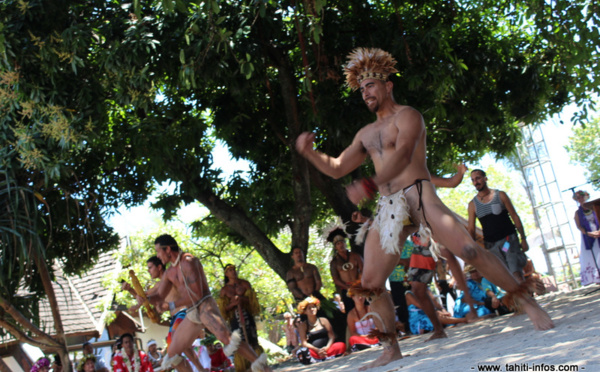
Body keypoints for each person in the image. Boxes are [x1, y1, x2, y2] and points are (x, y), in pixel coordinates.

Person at [296, 47, 553, 369]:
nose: (365, 93)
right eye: (361, 89)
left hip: (420, 193)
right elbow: (336, 167)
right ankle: (391, 348)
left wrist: (369, 184)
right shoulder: (365, 133)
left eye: (370, 85)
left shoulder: (408, 116)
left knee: (469, 251)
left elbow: (403, 155)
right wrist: (310, 153)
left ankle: (526, 302)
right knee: (371, 284)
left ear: (388, 85)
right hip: (390, 206)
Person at [146, 234, 270, 372]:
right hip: (191, 312)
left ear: (168, 249)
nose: (157, 256)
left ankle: (264, 369)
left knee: (227, 339)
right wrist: (144, 300)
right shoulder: (169, 271)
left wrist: (171, 305)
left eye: (158, 251)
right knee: (172, 354)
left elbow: (197, 294)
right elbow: (159, 295)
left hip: (205, 306)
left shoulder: (188, 261)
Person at [123, 256, 203, 372]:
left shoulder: (172, 277)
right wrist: (130, 289)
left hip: (184, 313)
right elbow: (143, 297)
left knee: (176, 343)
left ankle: (201, 369)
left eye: (150, 267)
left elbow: (145, 298)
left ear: (159, 267)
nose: (148, 271)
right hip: (175, 318)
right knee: (173, 356)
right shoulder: (158, 285)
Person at [468, 169, 529, 282]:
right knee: (506, 276)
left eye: (478, 178)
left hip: (507, 240)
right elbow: (471, 229)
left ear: (485, 178)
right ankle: (521, 296)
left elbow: (515, 216)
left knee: (515, 271)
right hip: (492, 246)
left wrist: (523, 238)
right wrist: (473, 249)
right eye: (473, 180)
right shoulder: (473, 205)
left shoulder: (500, 195)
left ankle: (526, 297)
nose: (476, 182)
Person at [217, 264, 265, 372]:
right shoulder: (224, 290)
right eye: (230, 270)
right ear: (226, 274)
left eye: (234, 269)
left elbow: (253, 302)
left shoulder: (245, 284)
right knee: (239, 343)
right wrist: (233, 304)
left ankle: (259, 366)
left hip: (247, 315)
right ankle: (244, 367)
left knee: (253, 341)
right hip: (235, 319)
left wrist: (242, 299)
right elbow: (223, 310)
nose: (233, 271)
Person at [294, 296, 346, 365]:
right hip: (314, 352)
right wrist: (317, 350)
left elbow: (332, 336)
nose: (312, 309)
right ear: (305, 311)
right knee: (302, 352)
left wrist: (326, 348)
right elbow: (304, 343)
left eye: (314, 307)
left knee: (340, 345)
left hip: (328, 349)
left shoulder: (323, 320)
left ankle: (327, 356)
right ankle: (317, 359)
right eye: (309, 308)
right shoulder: (303, 326)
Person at [327, 227, 363, 313]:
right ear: (335, 247)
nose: (341, 245)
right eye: (338, 244)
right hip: (346, 290)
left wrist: (357, 284)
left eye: (342, 242)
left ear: (345, 243)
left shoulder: (355, 256)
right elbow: (336, 279)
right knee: (351, 311)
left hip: (359, 287)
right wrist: (348, 288)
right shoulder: (334, 262)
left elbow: (362, 270)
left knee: (364, 308)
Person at [573, 190, 600, 286]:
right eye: (578, 198)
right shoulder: (577, 213)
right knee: (592, 255)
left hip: (598, 232)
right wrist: (588, 233)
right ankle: (596, 277)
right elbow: (579, 226)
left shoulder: (594, 207)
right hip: (588, 236)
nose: (581, 199)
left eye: (582, 197)